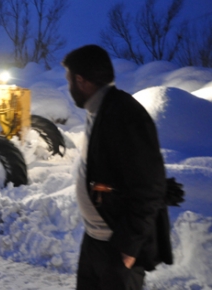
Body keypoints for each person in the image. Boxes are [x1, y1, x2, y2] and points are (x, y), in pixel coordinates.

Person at [61, 45, 173, 290]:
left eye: (69, 80)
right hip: (94, 240)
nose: (68, 87)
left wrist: (128, 246)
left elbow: (150, 187)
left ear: (81, 81)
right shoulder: (98, 111)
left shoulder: (125, 114)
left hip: (117, 246)